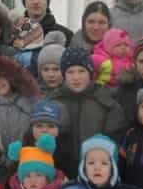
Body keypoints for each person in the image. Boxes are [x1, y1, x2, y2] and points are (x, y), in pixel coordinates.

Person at [50, 47, 129, 179]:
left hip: (98, 176)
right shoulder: (54, 102)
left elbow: (116, 139)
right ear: (63, 75)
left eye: (81, 71)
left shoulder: (106, 102)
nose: (76, 77)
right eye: (70, 72)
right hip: (61, 175)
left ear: (91, 73)